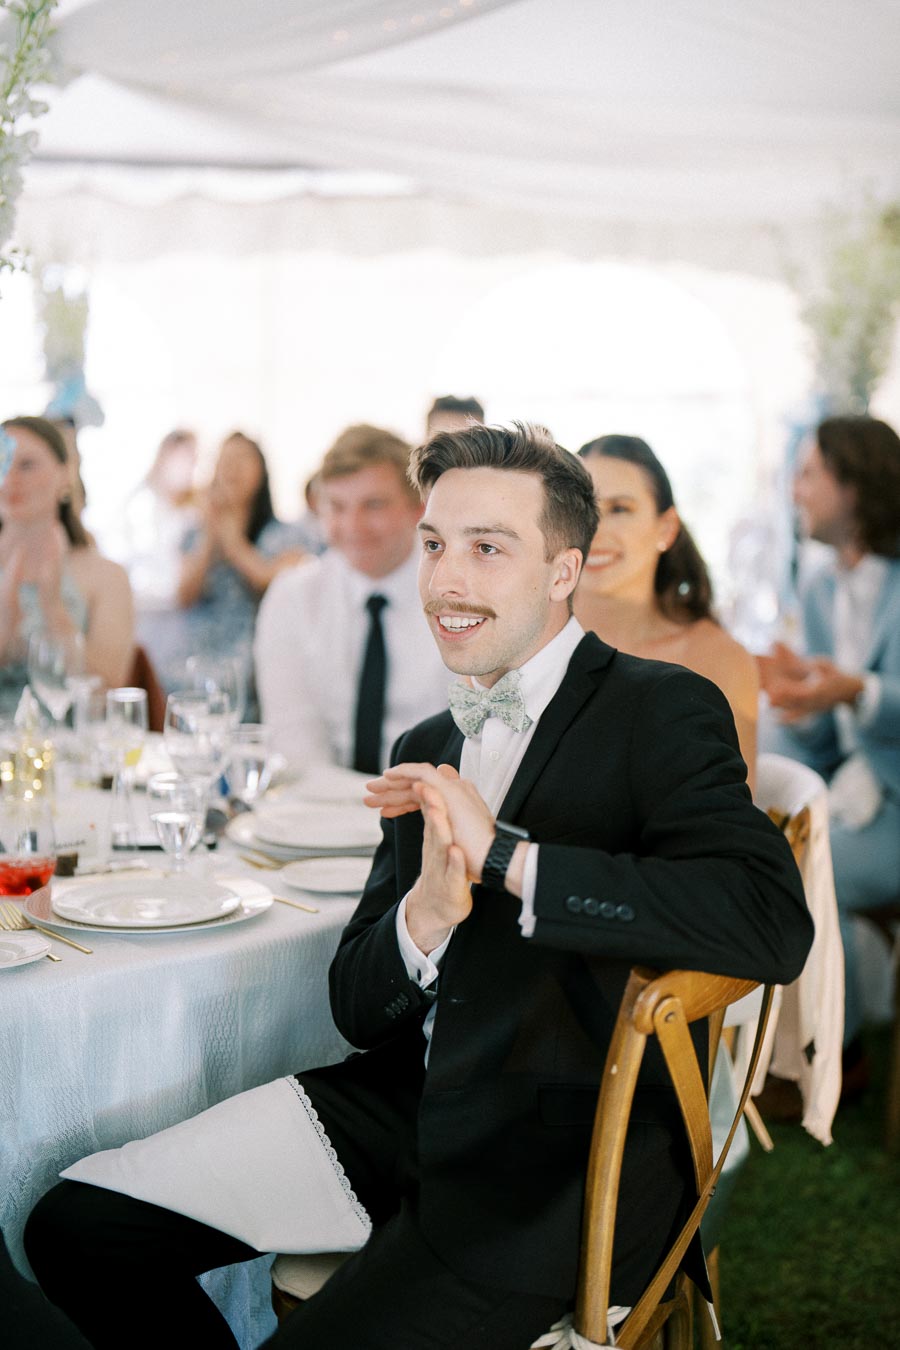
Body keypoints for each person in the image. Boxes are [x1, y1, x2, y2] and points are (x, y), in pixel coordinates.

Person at [25, 422, 812, 1350]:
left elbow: (769, 923)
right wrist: (424, 922)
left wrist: (508, 859)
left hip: (553, 1169)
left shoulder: (660, 706)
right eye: (436, 545)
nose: (446, 580)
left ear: (565, 571)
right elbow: (360, 1010)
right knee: (77, 1227)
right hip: (400, 1113)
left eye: (488, 549)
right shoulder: (426, 748)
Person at [759, 413, 900, 1093]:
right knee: (762, 824)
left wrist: (858, 692)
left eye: (810, 472)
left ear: (855, 485)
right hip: (853, 787)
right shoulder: (816, 588)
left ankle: (835, 1059)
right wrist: (792, 697)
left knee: (811, 870)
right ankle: (777, 1041)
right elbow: (822, 737)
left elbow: (865, 705)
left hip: (894, 800)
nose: (797, 489)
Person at [255, 424, 449, 773]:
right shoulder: (293, 597)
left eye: (373, 505)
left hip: (432, 806)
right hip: (324, 807)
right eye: (337, 507)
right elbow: (296, 748)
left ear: (418, 508)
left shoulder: (456, 598)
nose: (352, 526)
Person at [574, 434, 759, 790]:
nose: (594, 529)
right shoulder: (523, 642)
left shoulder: (718, 660)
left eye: (619, 509)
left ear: (666, 528)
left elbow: (733, 821)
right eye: (582, 508)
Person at [160, 431, 307, 715]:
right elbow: (184, 596)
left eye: (242, 459)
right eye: (224, 460)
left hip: (257, 656)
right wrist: (208, 534)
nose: (232, 468)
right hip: (199, 657)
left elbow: (268, 582)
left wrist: (230, 536)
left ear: (261, 472)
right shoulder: (195, 533)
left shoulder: (286, 535)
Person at [0, 416, 133, 716]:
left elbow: (110, 690)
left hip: (75, 754)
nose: (9, 479)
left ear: (64, 475)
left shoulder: (107, 576)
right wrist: (6, 621)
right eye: (2, 462)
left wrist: (53, 607)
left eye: (26, 465)